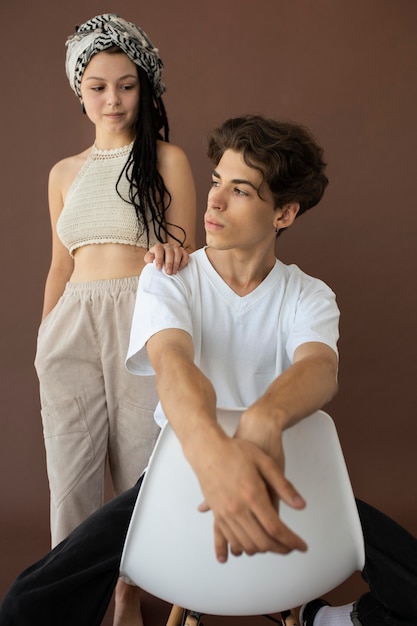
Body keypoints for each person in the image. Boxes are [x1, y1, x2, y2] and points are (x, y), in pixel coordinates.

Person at [1, 115, 416, 626]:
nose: (213, 201)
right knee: (26, 604)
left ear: (284, 213)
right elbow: (173, 366)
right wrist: (212, 455)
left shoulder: (309, 294)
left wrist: (263, 421)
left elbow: (318, 367)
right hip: (176, 480)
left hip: (289, 483)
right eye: (216, 180)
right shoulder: (168, 276)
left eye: (239, 190)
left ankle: (327, 620)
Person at [33, 13, 196, 626]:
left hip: (142, 314)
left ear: (144, 87)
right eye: (98, 85)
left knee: (143, 464)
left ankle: (129, 591)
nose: (112, 99)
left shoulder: (166, 159)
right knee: (69, 477)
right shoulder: (63, 173)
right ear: (79, 89)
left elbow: (185, 253)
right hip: (70, 324)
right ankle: (71, 601)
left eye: (125, 84)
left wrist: (175, 250)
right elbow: (58, 265)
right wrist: (45, 337)